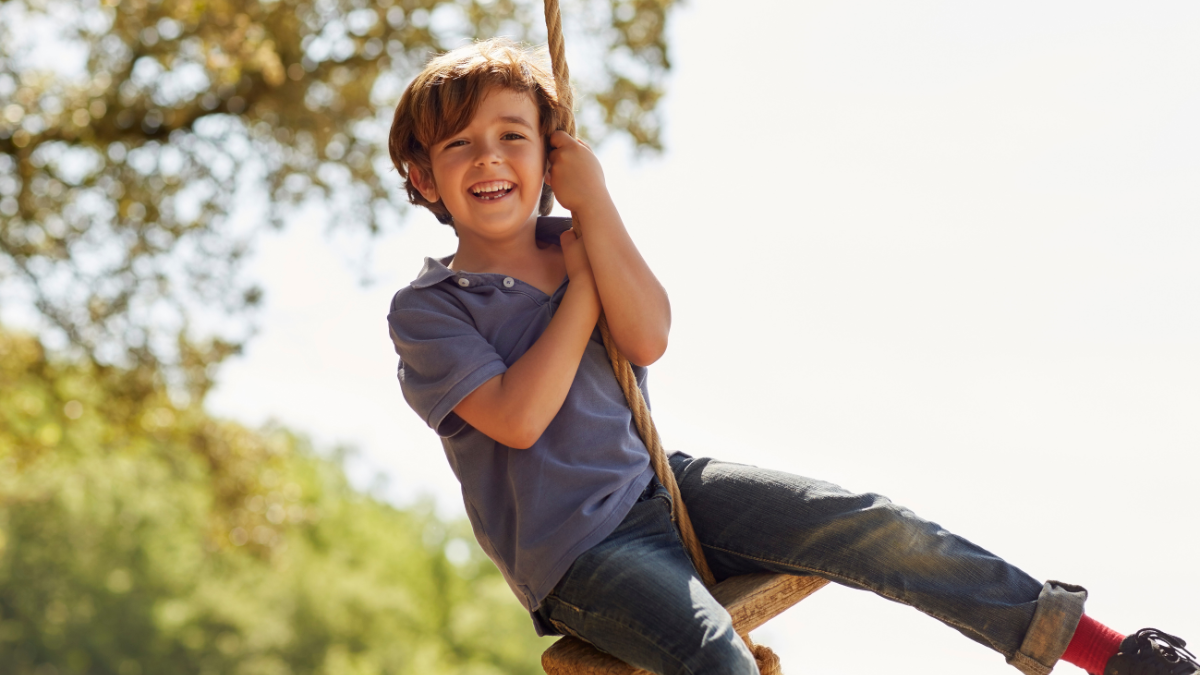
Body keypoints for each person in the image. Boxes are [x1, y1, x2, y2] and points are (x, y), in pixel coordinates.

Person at [384, 38, 1196, 675]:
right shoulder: (430, 309)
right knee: (715, 656)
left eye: (512, 136)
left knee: (869, 522)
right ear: (422, 177)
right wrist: (583, 284)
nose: (489, 158)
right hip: (579, 554)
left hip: (663, 487)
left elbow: (649, 337)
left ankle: (1100, 648)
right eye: (459, 146)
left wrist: (598, 213)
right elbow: (521, 419)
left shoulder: (583, 235)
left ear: (548, 158)